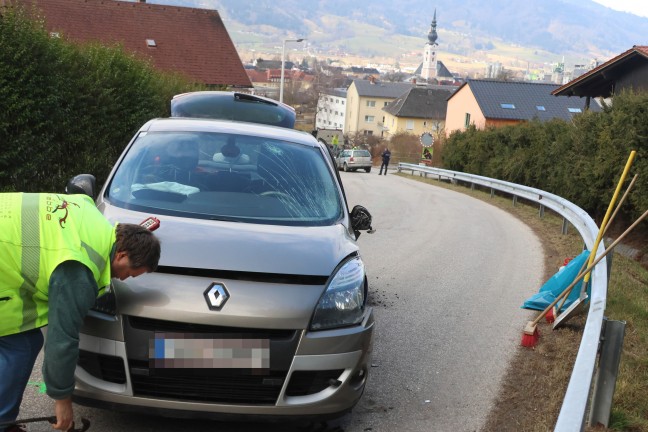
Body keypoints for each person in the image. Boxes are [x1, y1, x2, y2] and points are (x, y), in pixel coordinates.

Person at [0, 193, 161, 432]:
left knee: (26, 340)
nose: (124, 278)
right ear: (121, 255)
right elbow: (62, 339)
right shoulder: (80, 268)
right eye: (130, 272)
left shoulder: (92, 217)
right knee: (20, 346)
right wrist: (62, 400)